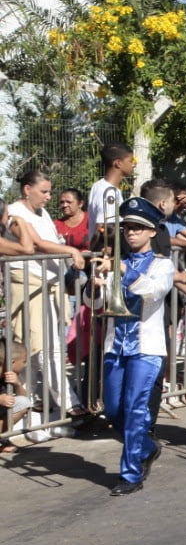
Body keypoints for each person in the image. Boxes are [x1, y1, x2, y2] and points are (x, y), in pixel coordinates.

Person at [90, 197, 174, 495]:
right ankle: (147, 447)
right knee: (113, 411)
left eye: (138, 228)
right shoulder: (115, 264)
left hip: (146, 348)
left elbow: (154, 291)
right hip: (117, 345)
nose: (131, 232)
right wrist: (96, 281)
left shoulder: (163, 264)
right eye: (127, 227)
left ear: (152, 232)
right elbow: (94, 304)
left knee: (136, 410)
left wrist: (125, 272)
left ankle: (131, 474)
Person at [6, 169, 87, 427]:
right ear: (26, 189)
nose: (49, 197)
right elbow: (37, 244)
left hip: (51, 284)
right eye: (44, 191)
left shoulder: (43, 212)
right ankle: (68, 402)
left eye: (50, 191)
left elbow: (49, 239)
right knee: (39, 347)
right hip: (30, 286)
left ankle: (30, 400)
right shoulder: (15, 212)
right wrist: (71, 250)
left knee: (41, 347)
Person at [87, 142, 133, 245]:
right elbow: (103, 228)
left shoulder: (106, 187)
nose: (133, 164)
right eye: (130, 161)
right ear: (118, 163)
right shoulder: (106, 191)